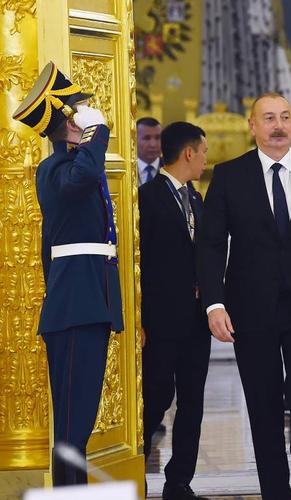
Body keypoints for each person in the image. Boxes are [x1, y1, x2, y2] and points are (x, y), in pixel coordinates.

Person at [197, 92, 291, 499]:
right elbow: (211, 245)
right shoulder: (229, 175)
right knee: (263, 407)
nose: (279, 125)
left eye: (285, 117)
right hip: (251, 311)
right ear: (252, 126)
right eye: (269, 118)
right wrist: (214, 304)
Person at [13, 62, 123, 486]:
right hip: (76, 309)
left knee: (78, 427)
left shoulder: (73, 168)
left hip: (85, 304)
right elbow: (85, 175)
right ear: (68, 121)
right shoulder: (56, 170)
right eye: (79, 110)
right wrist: (99, 132)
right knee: (73, 430)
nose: (86, 116)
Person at [140, 122, 210, 500]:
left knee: (192, 402)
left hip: (196, 321)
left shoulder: (196, 198)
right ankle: (133, 471)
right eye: (203, 152)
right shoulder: (147, 197)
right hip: (160, 321)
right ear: (188, 153)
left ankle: (179, 480)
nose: (206, 160)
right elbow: (137, 263)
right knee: (156, 397)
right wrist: (140, 319)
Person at [137, 117, 163, 185]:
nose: (153, 144)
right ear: (134, 140)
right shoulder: (126, 169)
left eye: (157, 138)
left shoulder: (172, 168)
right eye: (147, 138)